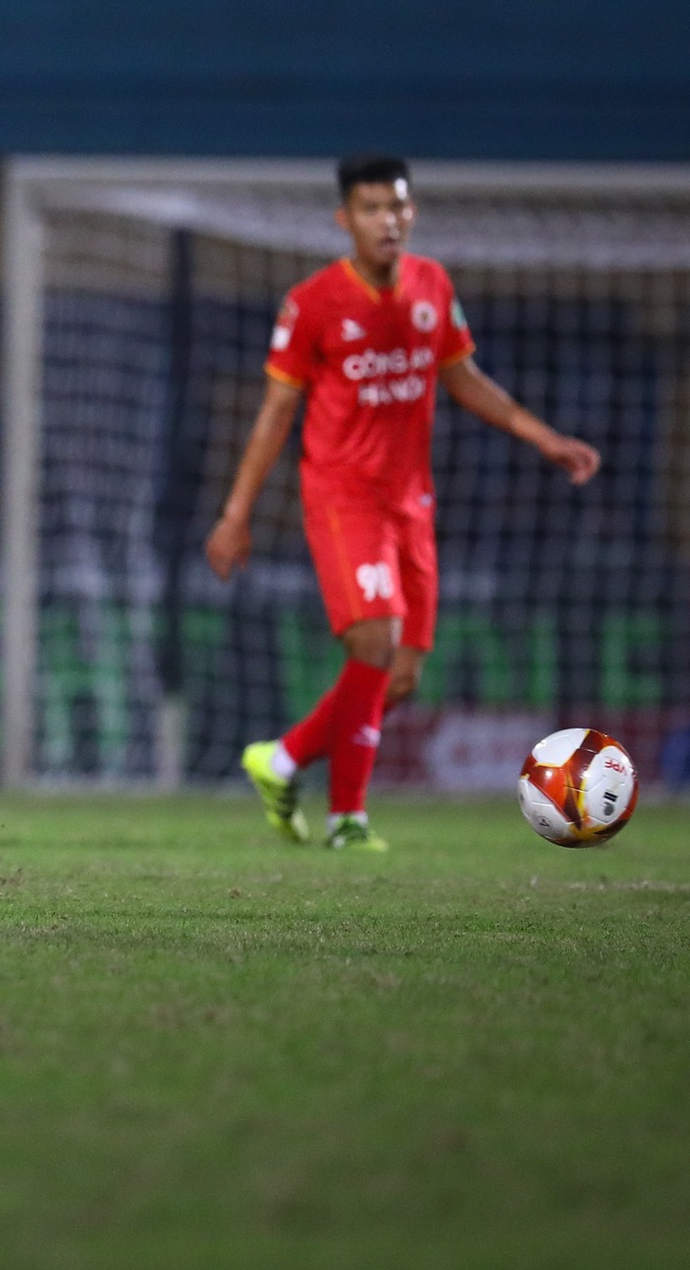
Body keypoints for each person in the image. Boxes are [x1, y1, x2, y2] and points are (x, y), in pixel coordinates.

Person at [206, 153, 600, 850]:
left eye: (397, 207)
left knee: (402, 676)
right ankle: (347, 819)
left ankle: (285, 758)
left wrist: (542, 436)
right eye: (371, 208)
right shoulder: (314, 303)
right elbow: (274, 414)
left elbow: (463, 375)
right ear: (344, 219)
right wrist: (236, 515)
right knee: (376, 640)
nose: (387, 221)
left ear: (411, 213)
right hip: (342, 496)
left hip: (411, 503)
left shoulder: (431, 284)